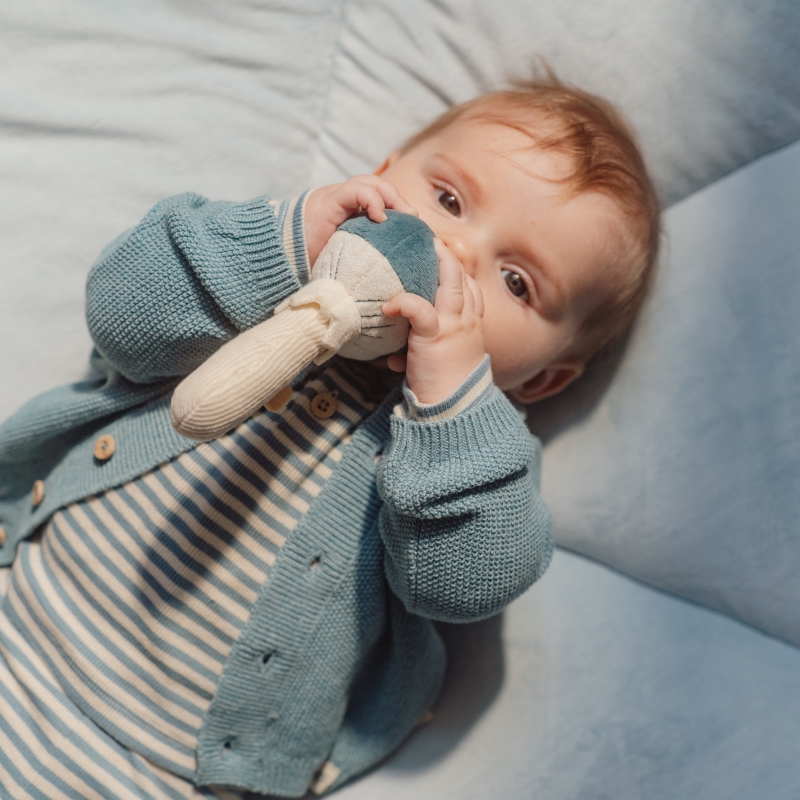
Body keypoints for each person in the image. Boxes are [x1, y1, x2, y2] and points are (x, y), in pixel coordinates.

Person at [0, 79, 659, 799]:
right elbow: (123, 310)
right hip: (20, 606)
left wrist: (453, 410)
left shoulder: (471, 457)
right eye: (447, 199)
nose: (455, 251)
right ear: (381, 173)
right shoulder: (259, 281)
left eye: (516, 282)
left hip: (169, 772)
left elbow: (465, 584)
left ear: (540, 381)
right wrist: (290, 239)